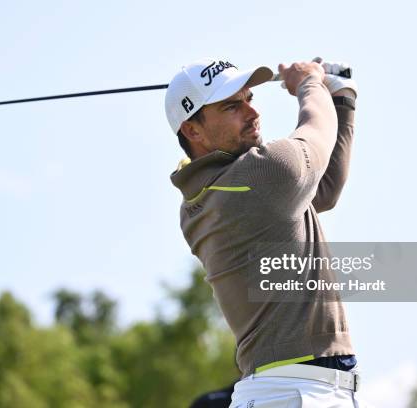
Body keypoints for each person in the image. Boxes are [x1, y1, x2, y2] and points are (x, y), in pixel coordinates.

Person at [165, 57, 368, 407]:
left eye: (249, 99)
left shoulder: (208, 198)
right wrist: (310, 82)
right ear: (193, 131)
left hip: (296, 389)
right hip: (294, 391)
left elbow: (325, 188)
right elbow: (316, 136)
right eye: (232, 106)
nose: (251, 113)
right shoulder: (260, 175)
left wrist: (341, 97)